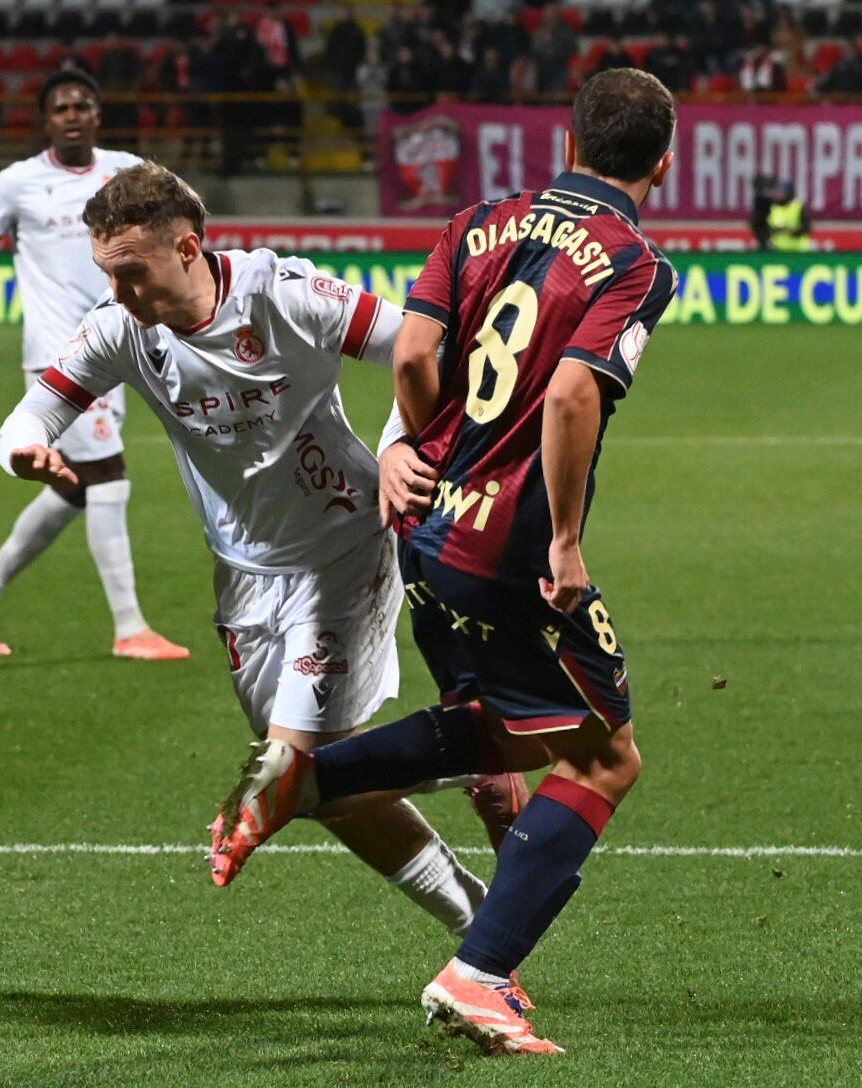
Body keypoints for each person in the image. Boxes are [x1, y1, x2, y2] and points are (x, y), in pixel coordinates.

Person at [210, 69, 680, 1055]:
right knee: (603, 754)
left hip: (425, 527)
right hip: (509, 545)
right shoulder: (631, 259)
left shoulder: (478, 222)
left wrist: (418, 450)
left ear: (567, 141)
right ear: (663, 164)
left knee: (498, 731)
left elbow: (414, 355)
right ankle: (478, 973)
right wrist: (558, 541)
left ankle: (296, 780)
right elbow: (565, 398)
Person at [0, 160, 531, 958]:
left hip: (345, 547)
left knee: (289, 764)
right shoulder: (120, 329)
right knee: (325, 785)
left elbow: (428, 350)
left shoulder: (286, 295)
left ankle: (481, 941)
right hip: (243, 571)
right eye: (107, 277)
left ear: (188, 247)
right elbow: (24, 418)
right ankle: (472, 780)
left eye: (132, 274)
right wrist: (26, 452)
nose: (120, 295)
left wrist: (396, 447)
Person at [0, 71, 189, 662]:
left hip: (118, 343)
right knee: (109, 477)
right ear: (45, 120)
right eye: (60, 107)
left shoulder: (127, 174)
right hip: (60, 356)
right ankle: (130, 629)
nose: (72, 114)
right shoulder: (18, 183)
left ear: (98, 115)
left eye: (82, 105)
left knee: (76, 488)